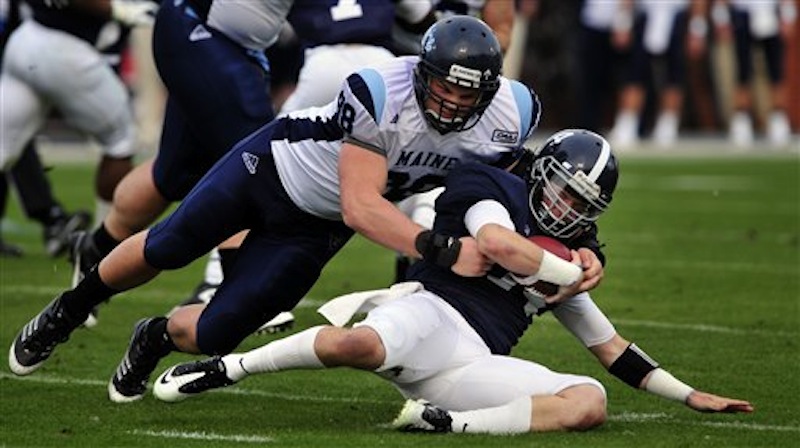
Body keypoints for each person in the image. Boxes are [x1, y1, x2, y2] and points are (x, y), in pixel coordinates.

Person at [9, 16, 542, 406]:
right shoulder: (383, 91)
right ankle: (69, 308)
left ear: (490, 93)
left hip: (314, 229)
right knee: (169, 244)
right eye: (443, 86)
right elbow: (361, 205)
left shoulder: (510, 117)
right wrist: (440, 249)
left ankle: (154, 335)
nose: (450, 101)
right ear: (423, 72)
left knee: (217, 334)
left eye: (465, 93)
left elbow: (502, 191)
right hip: (267, 170)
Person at [151, 129, 753, 434]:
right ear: (541, 172)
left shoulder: (569, 256)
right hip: (431, 313)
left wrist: (689, 394)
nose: (567, 207)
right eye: (564, 189)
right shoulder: (493, 191)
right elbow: (496, 243)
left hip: (471, 363)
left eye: (582, 202)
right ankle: (226, 368)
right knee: (353, 345)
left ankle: (443, 423)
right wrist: (574, 271)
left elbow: (612, 351)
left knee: (587, 403)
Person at [174, 0, 438, 333]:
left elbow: (262, 26)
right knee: (415, 169)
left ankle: (216, 280)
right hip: (382, 69)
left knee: (259, 165)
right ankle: (421, 278)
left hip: (322, 63)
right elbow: (425, 24)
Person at [0, 0, 154, 233]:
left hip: (27, 39)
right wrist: (117, 10)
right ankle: (106, 237)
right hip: (66, 50)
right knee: (121, 140)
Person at [608, 0, 708, 149]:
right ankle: (627, 123)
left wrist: (697, 28)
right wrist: (623, 22)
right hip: (646, 15)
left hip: (676, 16)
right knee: (635, 74)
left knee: (674, 76)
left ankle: (667, 125)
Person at [712, 0, 796, 147]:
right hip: (742, 11)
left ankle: (778, 118)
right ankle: (742, 118)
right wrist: (721, 16)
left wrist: (788, 14)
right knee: (742, 72)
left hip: (769, 12)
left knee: (776, 72)